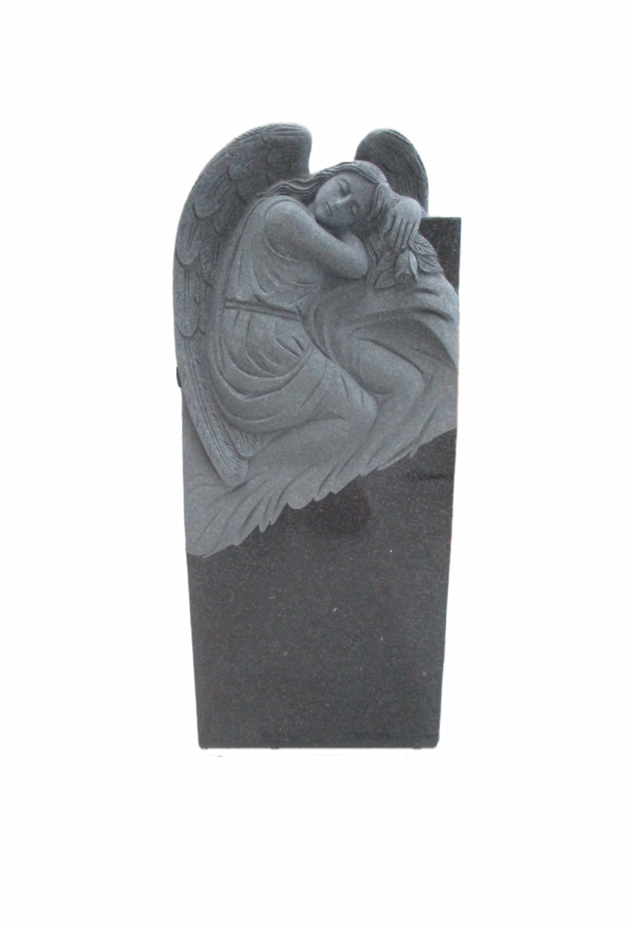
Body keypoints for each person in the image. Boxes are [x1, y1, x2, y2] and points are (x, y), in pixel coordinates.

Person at [184, 162, 457, 555]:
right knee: (357, 414)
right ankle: (251, 478)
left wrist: (407, 207)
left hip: (277, 337)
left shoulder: (301, 218)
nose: (339, 205)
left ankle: (314, 481)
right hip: (259, 346)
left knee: (400, 389)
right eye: (342, 188)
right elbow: (355, 264)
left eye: (354, 210)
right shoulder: (285, 214)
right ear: (326, 177)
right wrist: (371, 217)